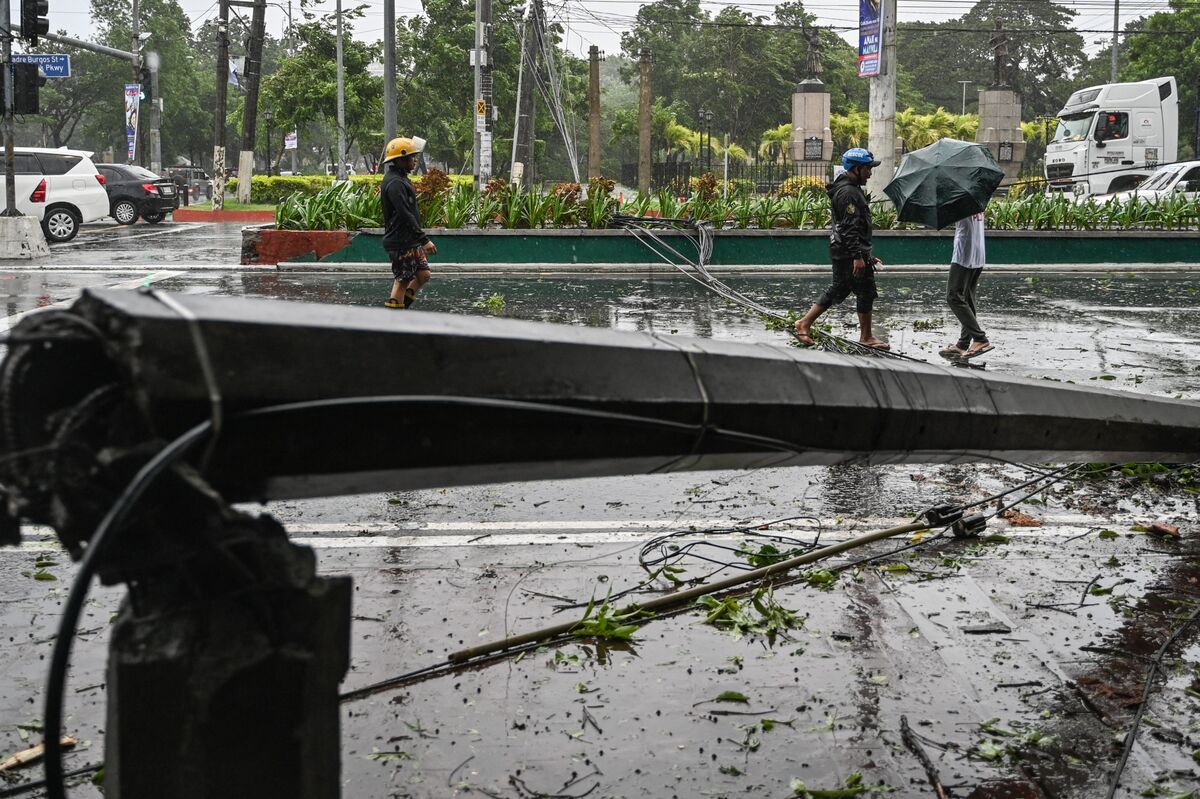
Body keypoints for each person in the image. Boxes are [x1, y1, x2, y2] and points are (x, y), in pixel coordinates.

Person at [793, 147, 889, 349]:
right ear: (855, 169)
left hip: (848, 251)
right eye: (868, 169)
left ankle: (865, 336)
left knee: (862, 290)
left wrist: (866, 257)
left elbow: (852, 228)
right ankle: (804, 323)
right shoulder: (848, 193)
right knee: (846, 288)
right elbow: (849, 227)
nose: (870, 173)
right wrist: (857, 256)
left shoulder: (851, 189)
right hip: (847, 253)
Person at [380, 136, 436, 309]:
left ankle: (402, 305)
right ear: (400, 160)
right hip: (400, 241)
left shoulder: (400, 177)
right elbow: (405, 214)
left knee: (423, 275)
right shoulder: (395, 183)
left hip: (408, 239)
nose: (415, 160)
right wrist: (424, 239)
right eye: (411, 157)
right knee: (402, 281)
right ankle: (394, 320)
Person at [940, 212, 993, 359]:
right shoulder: (973, 197)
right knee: (968, 299)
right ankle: (963, 343)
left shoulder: (957, 197)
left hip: (964, 252)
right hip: (977, 251)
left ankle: (980, 338)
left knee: (953, 296)